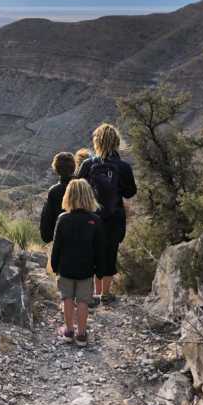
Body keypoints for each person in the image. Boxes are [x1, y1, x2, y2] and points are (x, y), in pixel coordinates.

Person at [77, 123, 137, 306]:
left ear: (97, 142)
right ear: (116, 142)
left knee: (92, 253)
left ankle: (94, 293)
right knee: (110, 253)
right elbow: (130, 192)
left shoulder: (88, 164)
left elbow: (77, 189)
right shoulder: (124, 167)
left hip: (91, 217)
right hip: (115, 216)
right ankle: (105, 293)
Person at [50, 179, 106, 347]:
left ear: (68, 196)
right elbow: (99, 248)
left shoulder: (63, 218)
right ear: (89, 197)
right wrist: (100, 270)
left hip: (66, 267)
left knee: (67, 298)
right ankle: (81, 334)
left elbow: (57, 244)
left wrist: (54, 265)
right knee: (83, 301)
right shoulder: (95, 220)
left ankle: (68, 331)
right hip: (87, 269)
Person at [40, 152, 76, 245]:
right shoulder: (83, 188)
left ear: (56, 169)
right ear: (74, 167)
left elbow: (47, 220)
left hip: (60, 240)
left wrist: (48, 237)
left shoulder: (54, 191)